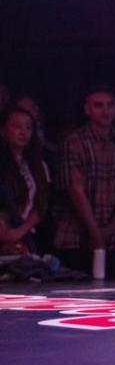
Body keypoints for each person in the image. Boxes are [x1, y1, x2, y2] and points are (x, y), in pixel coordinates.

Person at [53, 84, 115, 276]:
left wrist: (108, 230)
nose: (105, 111)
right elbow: (75, 190)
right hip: (75, 235)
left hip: (113, 236)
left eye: (110, 105)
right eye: (99, 105)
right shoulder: (73, 142)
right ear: (87, 109)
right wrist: (95, 232)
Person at [0, 107, 50, 255]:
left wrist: (20, 230)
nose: (23, 132)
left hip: (26, 234)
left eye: (28, 127)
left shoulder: (39, 165)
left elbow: (42, 203)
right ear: (3, 130)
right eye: (17, 126)